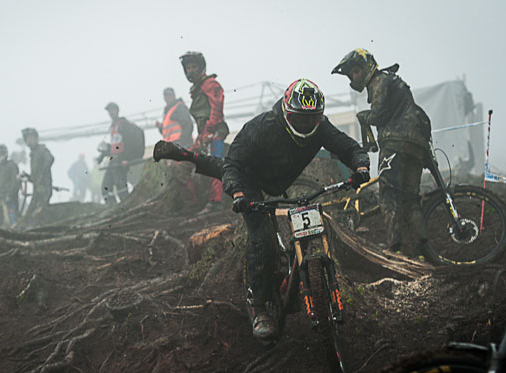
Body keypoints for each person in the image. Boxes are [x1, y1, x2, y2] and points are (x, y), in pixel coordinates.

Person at [157, 79, 369, 341]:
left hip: (281, 181)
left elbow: (349, 146)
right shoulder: (262, 127)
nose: (305, 125)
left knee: (303, 222)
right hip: (250, 181)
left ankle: (298, 275)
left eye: (311, 119)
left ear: (319, 117)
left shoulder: (320, 127)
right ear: (286, 112)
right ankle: (259, 310)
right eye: (298, 119)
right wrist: (237, 193)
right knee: (262, 239)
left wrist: (360, 166)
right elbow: (232, 163)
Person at [334, 49, 435, 257]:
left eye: (354, 71)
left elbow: (379, 115)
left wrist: (364, 116)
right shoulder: (393, 81)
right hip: (417, 144)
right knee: (410, 197)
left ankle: (393, 245)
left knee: (388, 193)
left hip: (395, 142)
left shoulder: (379, 81)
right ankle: (422, 247)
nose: (353, 77)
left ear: (365, 68)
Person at [182, 51, 230, 206]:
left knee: (214, 164)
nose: (191, 71)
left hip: (214, 132)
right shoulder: (198, 89)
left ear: (201, 67)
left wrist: (209, 130)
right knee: (181, 165)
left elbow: (217, 108)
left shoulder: (210, 84)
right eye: (188, 68)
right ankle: (192, 204)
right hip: (203, 134)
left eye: (194, 66)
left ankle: (216, 202)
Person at [102, 103, 147, 204]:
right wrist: (104, 152)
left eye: (112, 110)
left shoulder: (123, 124)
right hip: (113, 160)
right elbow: (116, 145)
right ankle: (113, 209)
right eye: (109, 111)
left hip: (121, 160)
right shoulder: (113, 126)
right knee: (105, 188)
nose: (110, 113)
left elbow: (129, 143)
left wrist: (126, 158)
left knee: (121, 189)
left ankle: (128, 207)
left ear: (117, 110)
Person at [20, 128, 56, 220]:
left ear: (36, 138)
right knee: (29, 213)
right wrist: (28, 177)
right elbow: (34, 177)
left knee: (39, 212)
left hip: (44, 188)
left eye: (31, 138)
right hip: (37, 189)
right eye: (27, 138)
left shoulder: (41, 149)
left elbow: (50, 159)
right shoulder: (33, 154)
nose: (29, 141)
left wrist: (42, 174)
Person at [0, 143, 22, 225]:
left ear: (5, 153)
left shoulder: (12, 165)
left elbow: (15, 182)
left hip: (10, 200)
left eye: (0, 153)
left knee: (12, 221)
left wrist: (9, 195)